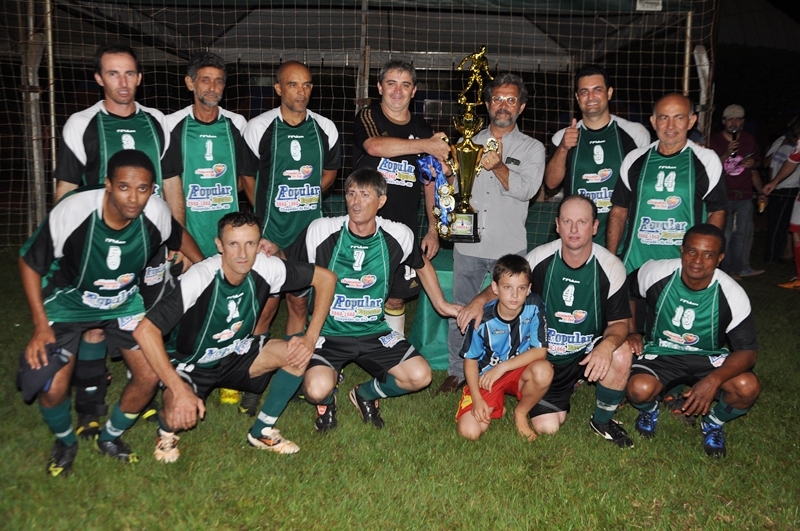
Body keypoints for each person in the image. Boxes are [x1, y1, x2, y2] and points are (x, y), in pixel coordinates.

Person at [19, 150, 191, 476]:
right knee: (51, 387)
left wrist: (201, 261)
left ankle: (110, 437)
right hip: (69, 302)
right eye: (124, 187)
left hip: (124, 302)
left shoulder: (156, 211)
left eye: (143, 188)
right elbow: (29, 262)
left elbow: (178, 237)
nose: (134, 197)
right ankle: (66, 441)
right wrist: (41, 326)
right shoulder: (74, 211)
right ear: (108, 185)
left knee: (149, 376)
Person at [52, 44, 188, 435]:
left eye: (129, 73)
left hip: (149, 245)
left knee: (146, 318)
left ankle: (143, 390)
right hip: (98, 244)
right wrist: (66, 247)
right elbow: (65, 190)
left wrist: (174, 236)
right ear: (99, 78)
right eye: (113, 74)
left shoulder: (158, 122)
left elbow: (172, 182)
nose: (122, 82)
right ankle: (89, 405)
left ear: (139, 78)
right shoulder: (82, 123)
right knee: (94, 323)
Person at [132, 212, 336, 462]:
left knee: (298, 352)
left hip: (236, 353)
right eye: (233, 244)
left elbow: (326, 278)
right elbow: (145, 330)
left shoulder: (266, 267)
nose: (242, 253)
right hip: (194, 363)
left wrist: (309, 337)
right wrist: (178, 389)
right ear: (219, 245)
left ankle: (262, 431)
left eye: (250, 243)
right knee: (178, 414)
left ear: (260, 243)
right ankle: (165, 430)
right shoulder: (200, 277)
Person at [283, 169, 461, 431]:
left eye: (365, 195)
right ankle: (327, 400)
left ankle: (366, 393)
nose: (356, 202)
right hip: (328, 332)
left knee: (420, 376)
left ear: (381, 201)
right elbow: (292, 270)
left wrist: (441, 304)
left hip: (373, 331)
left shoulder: (398, 235)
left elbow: (420, 263)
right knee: (315, 389)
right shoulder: (320, 230)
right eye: (352, 193)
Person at [458, 195, 634, 446]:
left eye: (582, 222)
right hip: (545, 361)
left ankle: (603, 419)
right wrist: (479, 300)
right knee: (548, 428)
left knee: (621, 351)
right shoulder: (539, 258)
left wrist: (606, 347)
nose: (574, 229)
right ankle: (557, 391)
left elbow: (620, 324)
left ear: (595, 226)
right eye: (567, 221)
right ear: (557, 225)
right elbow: (509, 283)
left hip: (585, 354)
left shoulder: (611, 267)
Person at [437, 73, 545, 394]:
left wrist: (498, 166)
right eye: (497, 99)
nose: (503, 105)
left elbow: (527, 189)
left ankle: (506, 367)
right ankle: (457, 371)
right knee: (461, 307)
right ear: (487, 104)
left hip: (508, 248)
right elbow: (455, 193)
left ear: (521, 107)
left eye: (511, 100)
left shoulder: (532, 148)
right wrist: (446, 179)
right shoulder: (465, 143)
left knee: (510, 308)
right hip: (467, 244)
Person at [626, 224, 760, 457]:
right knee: (639, 389)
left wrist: (713, 381)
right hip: (662, 352)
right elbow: (627, 290)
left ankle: (714, 422)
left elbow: (748, 351)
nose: (698, 260)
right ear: (682, 251)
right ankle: (649, 409)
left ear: (719, 258)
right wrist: (633, 330)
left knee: (747, 387)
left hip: (708, 358)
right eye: (692, 251)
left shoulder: (732, 293)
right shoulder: (657, 272)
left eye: (708, 254)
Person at [165, 51, 249, 405]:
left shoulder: (237, 124)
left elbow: (244, 177)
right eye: (205, 80)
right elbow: (169, 186)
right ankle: (173, 372)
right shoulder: (170, 125)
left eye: (218, 81)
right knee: (180, 304)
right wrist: (178, 241)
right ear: (190, 83)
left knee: (230, 303)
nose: (212, 87)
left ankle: (229, 371)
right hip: (188, 232)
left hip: (226, 237)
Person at [242, 60, 342, 337]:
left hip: (307, 234)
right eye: (293, 84)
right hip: (269, 232)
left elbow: (330, 174)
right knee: (265, 308)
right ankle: (247, 366)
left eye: (307, 85)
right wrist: (261, 216)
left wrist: (303, 196)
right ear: (278, 88)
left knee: (299, 306)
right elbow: (247, 178)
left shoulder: (326, 129)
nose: (301, 92)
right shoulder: (259, 127)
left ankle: (293, 364)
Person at [352, 59, 451, 335]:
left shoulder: (423, 128)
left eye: (405, 84)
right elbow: (374, 146)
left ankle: (393, 353)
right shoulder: (368, 116)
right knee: (358, 292)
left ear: (414, 91)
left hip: (404, 230)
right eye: (391, 83)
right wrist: (426, 145)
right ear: (380, 87)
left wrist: (432, 229)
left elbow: (431, 183)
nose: (398, 91)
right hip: (364, 229)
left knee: (396, 295)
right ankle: (344, 348)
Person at [607, 93, 727, 274]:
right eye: (664, 118)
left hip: (682, 268)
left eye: (679, 117)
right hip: (634, 264)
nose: (671, 126)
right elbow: (619, 211)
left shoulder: (707, 160)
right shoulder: (634, 159)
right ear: (654, 121)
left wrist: (704, 259)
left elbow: (716, 211)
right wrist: (611, 258)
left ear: (691, 121)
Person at [544, 65, 650, 243]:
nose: (591, 97)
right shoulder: (562, 136)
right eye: (584, 92)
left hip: (622, 238)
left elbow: (645, 186)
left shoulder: (635, 134)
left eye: (597, 90)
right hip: (577, 237)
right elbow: (551, 184)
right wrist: (563, 148)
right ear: (577, 97)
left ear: (609, 93)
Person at [455, 254, 551, 442]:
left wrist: (503, 367)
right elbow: (471, 360)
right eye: (507, 287)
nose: (514, 295)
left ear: (529, 289)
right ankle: (495, 402)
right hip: (487, 378)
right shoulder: (482, 320)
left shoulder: (535, 305)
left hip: (518, 370)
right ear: (495, 288)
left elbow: (540, 351)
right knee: (469, 432)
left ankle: (521, 413)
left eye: (521, 288)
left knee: (544, 371)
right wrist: (477, 398)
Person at [709, 104, 764, 280]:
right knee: (724, 234)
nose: (734, 122)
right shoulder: (714, 141)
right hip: (723, 195)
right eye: (731, 119)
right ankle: (723, 269)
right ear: (724, 121)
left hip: (745, 195)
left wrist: (761, 189)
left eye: (738, 119)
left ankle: (737, 269)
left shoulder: (748, 139)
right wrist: (726, 153)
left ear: (743, 122)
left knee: (742, 234)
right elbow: (710, 167)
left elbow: (756, 165)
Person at [762, 117, 800, 265]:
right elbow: (792, 161)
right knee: (793, 231)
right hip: (788, 191)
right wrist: (774, 182)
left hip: (790, 190)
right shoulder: (789, 146)